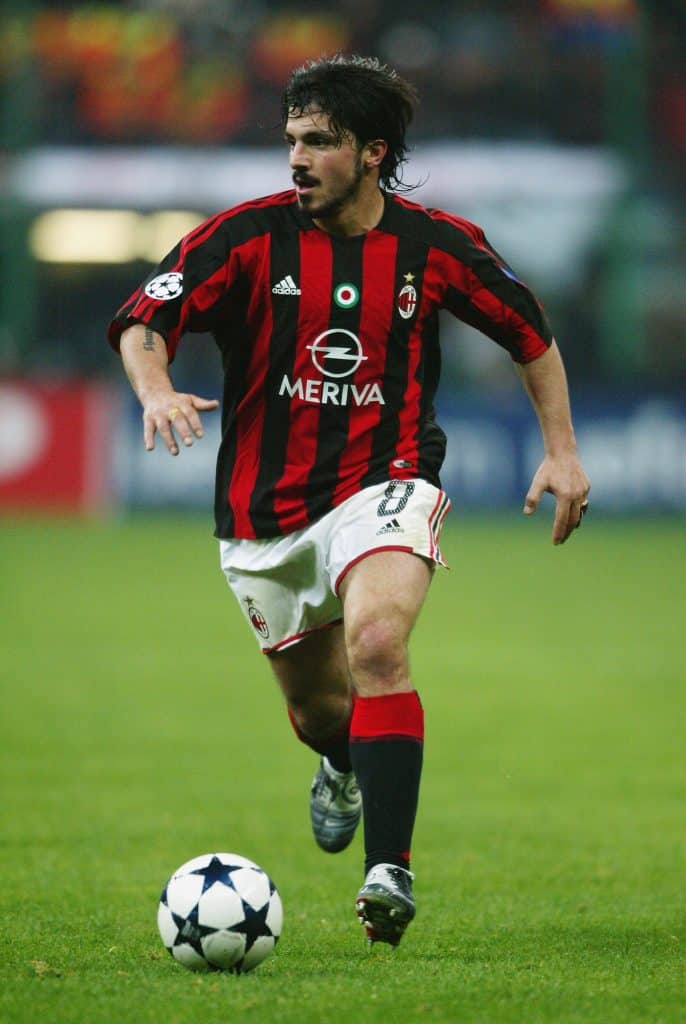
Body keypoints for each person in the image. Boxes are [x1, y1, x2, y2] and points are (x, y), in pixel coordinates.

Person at [108, 54, 590, 948]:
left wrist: (561, 450)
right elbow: (146, 318)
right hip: (264, 517)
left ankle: (389, 872)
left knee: (376, 640)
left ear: (373, 153)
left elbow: (531, 333)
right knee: (319, 712)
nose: (297, 158)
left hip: (389, 478)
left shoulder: (437, 245)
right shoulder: (245, 237)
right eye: (291, 139)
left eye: (319, 142)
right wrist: (155, 390)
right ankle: (341, 761)